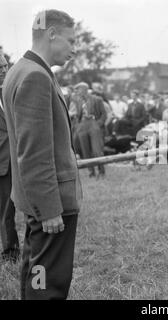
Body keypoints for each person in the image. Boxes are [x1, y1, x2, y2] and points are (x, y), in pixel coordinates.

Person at [2, 9, 82, 299]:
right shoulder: (36, 76)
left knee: (35, 272)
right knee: (48, 282)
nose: (75, 48)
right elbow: (33, 153)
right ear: (52, 34)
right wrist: (49, 209)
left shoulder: (20, 69)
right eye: (71, 40)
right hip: (50, 202)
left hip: (33, 196)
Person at [0, 54, 20, 263]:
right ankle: (10, 251)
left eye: (5, 66)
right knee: (6, 209)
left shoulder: (14, 91)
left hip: (22, 158)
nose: (4, 70)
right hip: (3, 163)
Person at [74, 82, 107, 178]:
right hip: (82, 126)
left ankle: (101, 171)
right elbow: (78, 116)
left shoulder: (97, 99)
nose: (76, 92)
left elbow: (104, 115)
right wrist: (78, 126)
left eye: (78, 89)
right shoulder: (78, 101)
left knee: (97, 150)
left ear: (84, 89)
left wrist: (97, 124)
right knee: (85, 150)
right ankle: (91, 172)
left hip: (93, 123)